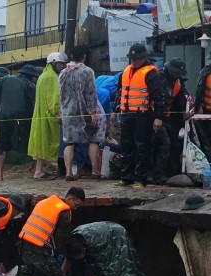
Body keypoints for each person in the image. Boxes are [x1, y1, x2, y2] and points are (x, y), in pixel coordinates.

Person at [9, 187, 86, 276]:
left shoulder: (45, 202)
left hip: (22, 244)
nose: (75, 208)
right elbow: (62, 238)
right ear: (70, 199)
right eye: (76, 205)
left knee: (26, 273)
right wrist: (64, 254)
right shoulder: (64, 211)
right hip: (37, 249)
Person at [114, 44, 171, 188]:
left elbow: (160, 98)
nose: (134, 61)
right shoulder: (125, 72)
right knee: (126, 146)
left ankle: (141, 179)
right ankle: (126, 177)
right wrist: (115, 111)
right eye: (132, 58)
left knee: (142, 147)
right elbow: (120, 93)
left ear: (144, 58)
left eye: (137, 58)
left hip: (143, 116)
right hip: (127, 115)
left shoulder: (152, 74)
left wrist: (159, 117)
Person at [65, 221, 146, 276]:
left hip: (115, 236)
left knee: (111, 271)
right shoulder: (73, 240)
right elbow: (68, 259)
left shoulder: (97, 246)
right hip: (99, 233)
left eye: (80, 257)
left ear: (85, 250)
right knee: (76, 265)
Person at [0, 64, 40, 181]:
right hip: (23, 118)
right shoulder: (30, 85)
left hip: (3, 115)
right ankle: (36, 170)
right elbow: (35, 104)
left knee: (2, 146)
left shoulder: (5, 79)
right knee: (32, 143)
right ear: (31, 77)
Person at [60, 46, 106, 181]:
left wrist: (61, 111)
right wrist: (93, 113)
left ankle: (68, 173)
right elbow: (91, 93)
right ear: (84, 56)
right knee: (94, 139)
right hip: (85, 111)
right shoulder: (87, 71)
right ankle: (95, 171)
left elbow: (61, 94)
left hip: (68, 111)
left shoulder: (63, 72)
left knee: (69, 143)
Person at [28, 53, 67, 180]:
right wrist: (57, 113)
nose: (62, 66)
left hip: (41, 114)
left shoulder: (42, 76)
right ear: (54, 63)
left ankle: (39, 170)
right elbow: (53, 99)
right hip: (48, 115)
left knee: (42, 143)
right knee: (48, 142)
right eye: (61, 64)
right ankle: (39, 171)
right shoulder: (52, 77)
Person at [152, 58, 190, 183]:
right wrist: (157, 118)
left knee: (175, 143)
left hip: (169, 119)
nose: (177, 75)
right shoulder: (159, 80)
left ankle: (172, 172)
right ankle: (158, 174)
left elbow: (181, 99)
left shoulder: (178, 83)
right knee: (164, 144)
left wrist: (184, 112)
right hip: (156, 118)